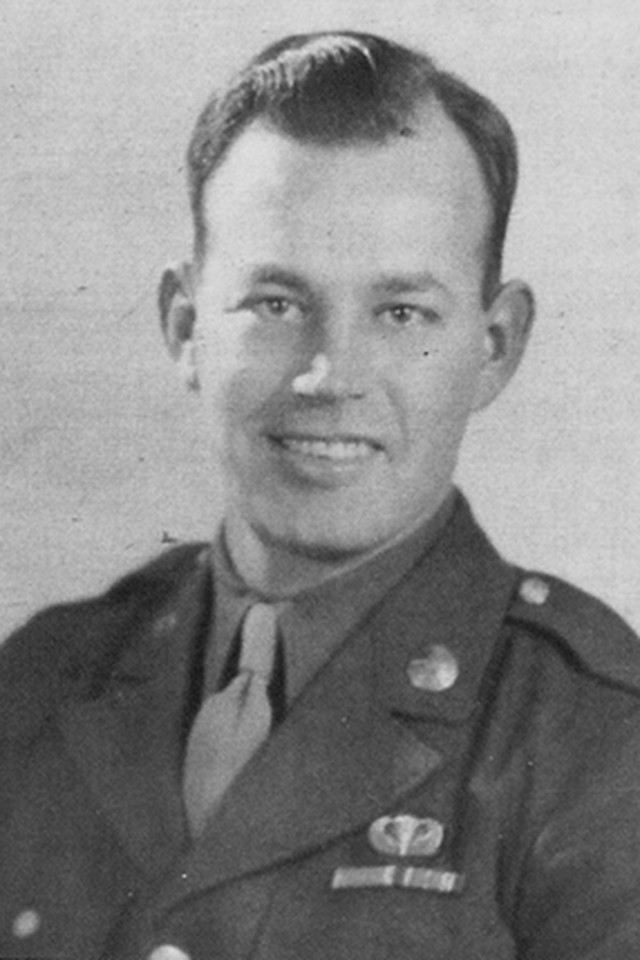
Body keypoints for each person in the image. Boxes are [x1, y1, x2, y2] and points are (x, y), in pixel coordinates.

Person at [1, 30, 639, 960]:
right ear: (185, 326)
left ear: (495, 344)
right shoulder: (37, 688)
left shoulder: (597, 743)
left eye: (402, 313)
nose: (330, 376)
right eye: (277, 304)